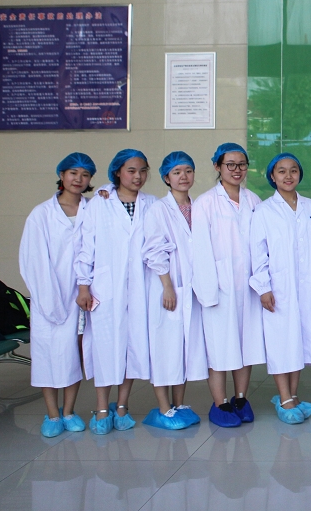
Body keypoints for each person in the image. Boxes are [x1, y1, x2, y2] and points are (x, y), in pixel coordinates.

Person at [76, 149, 156, 434]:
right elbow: (86, 247)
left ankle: (122, 405)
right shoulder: (100, 203)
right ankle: (101, 407)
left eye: (143, 170)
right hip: (105, 288)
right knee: (105, 347)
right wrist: (83, 285)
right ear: (118, 172)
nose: (138, 176)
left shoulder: (151, 204)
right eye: (131, 170)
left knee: (132, 347)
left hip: (140, 287)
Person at [20, 153, 96, 438]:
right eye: (73, 173)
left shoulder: (93, 210)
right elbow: (33, 260)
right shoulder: (41, 214)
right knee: (47, 355)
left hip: (82, 294)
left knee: (73, 354)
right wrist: (48, 299)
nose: (79, 179)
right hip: (48, 294)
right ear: (62, 175)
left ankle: (69, 411)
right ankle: (52, 414)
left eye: (85, 174)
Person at [250, 153, 311, 424]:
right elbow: (258, 253)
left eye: (293, 170)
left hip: (307, 286)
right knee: (281, 342)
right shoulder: (263, 211)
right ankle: (284, 398)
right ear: (272, 176)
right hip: (279, 288)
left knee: (300, 341)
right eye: (281, 171)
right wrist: (263, 288)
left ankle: (293, 395)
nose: (288, 176)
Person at [192, 143, 266, 427]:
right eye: (230, 165)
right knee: (220, 346)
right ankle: (220, 403)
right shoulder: (205, 203)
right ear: (217, 167)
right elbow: (200, 250)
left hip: (248, 286)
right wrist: (207, 291)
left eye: (242, 165)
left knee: (246, 344)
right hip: (219, 287)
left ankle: (240, 399)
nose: (237, 170)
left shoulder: (253, 200)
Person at [141, 151, 207, 430]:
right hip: (167, 287)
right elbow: (154, 250)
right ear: (166, 178)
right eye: (177, 172)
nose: (183, 176)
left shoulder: (198, 207)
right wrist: (167, 286)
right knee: (165, 347)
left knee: (184, 348)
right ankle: (163, 408)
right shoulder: (159, 209)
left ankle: (179, 404)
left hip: (192, 288)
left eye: (188, 171)